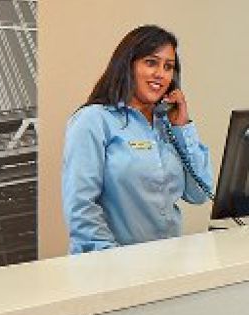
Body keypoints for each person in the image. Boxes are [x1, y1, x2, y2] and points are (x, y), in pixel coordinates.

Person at [63, 25, 214, 253]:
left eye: (168, 67)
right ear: (128, 65)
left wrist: (183, 127)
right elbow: (81, 206)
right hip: (110, 268)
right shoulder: (93, 120)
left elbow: (199, 193)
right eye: (151, 62)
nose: (160, 74)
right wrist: (112, 261)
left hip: (167, 263)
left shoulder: (166, 125)